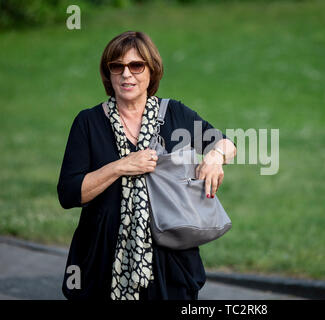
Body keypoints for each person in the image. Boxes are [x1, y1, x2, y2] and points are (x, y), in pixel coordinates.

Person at [57, 31, 236, 300]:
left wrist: (214, 157)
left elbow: (226, 143)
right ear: (109, 74)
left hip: (170, 258)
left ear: (151, 70)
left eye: (136, 65)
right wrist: (121, 166)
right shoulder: (88, 122)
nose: (126, 74)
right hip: (104, 257)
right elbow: (69, 193)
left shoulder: (174, 113)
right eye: (117, 66)